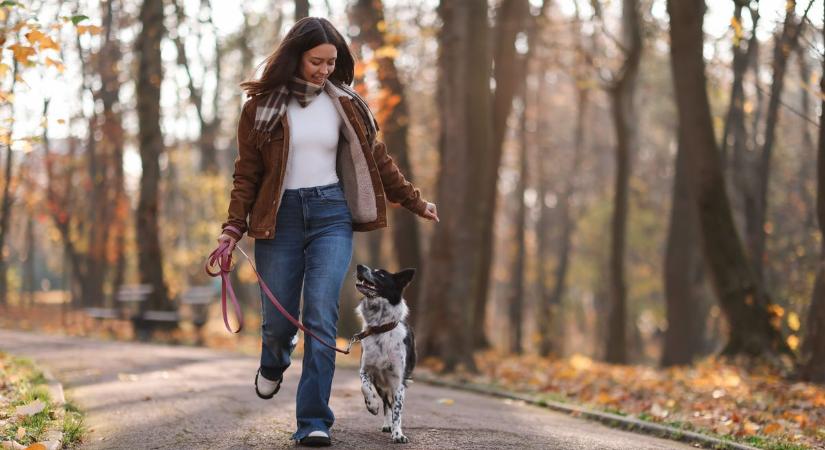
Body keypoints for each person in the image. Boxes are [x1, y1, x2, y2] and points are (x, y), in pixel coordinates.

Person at [216, 17, 438, 447]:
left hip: (330, 214)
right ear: (295, 57)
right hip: (277, 219)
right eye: (316, 61)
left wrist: (414, 200)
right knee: (279, 324)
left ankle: (313, 421)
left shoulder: (347, 104)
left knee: (321, 313)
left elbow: (380, 161)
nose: (323, 70)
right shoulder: (260, 108)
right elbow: (246, 174)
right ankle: (274, 360)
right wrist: (232, 229)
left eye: (331, 62)